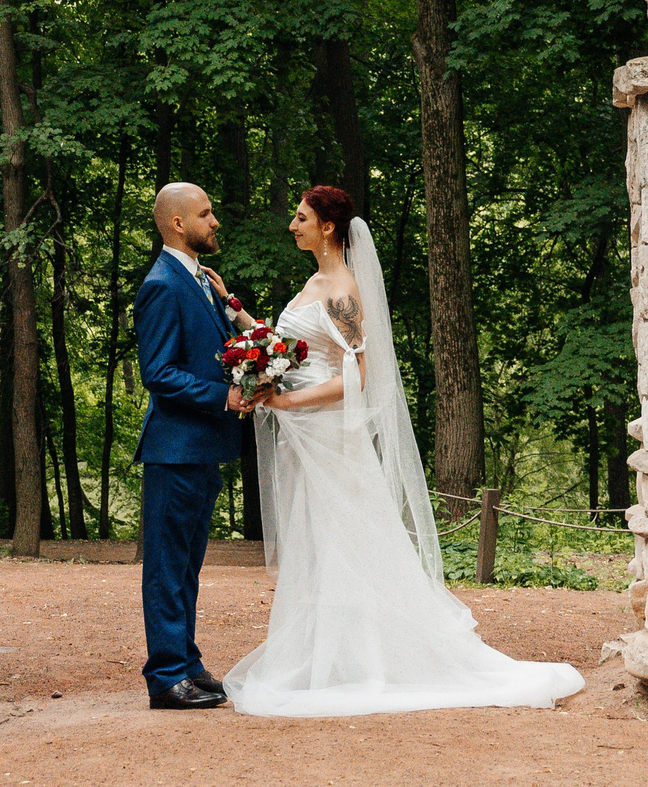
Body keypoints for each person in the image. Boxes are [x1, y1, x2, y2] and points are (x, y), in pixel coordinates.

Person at [220, 184, 586, 718]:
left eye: (301, 218)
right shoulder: (314, 282)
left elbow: (358, 377)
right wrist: (235, 311)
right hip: (305, 437)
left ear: (327, 227)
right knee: (318, 543)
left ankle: (368, 658)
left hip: (328, 434)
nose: (292, 225)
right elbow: (288, 347)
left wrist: (287, 400)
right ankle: (329, 657)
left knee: (347, 540)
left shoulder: (342, 290)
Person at [131, 182, 251, 710]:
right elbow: (158, 374)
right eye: (206, 214)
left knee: (186, 567)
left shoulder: (200, 279)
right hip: (174, 450)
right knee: (166, 567)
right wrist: (224, 396)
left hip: (201, 448)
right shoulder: (161, 284)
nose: (214, 221)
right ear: (178, 223)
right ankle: (165, 678)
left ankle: (187, 663)